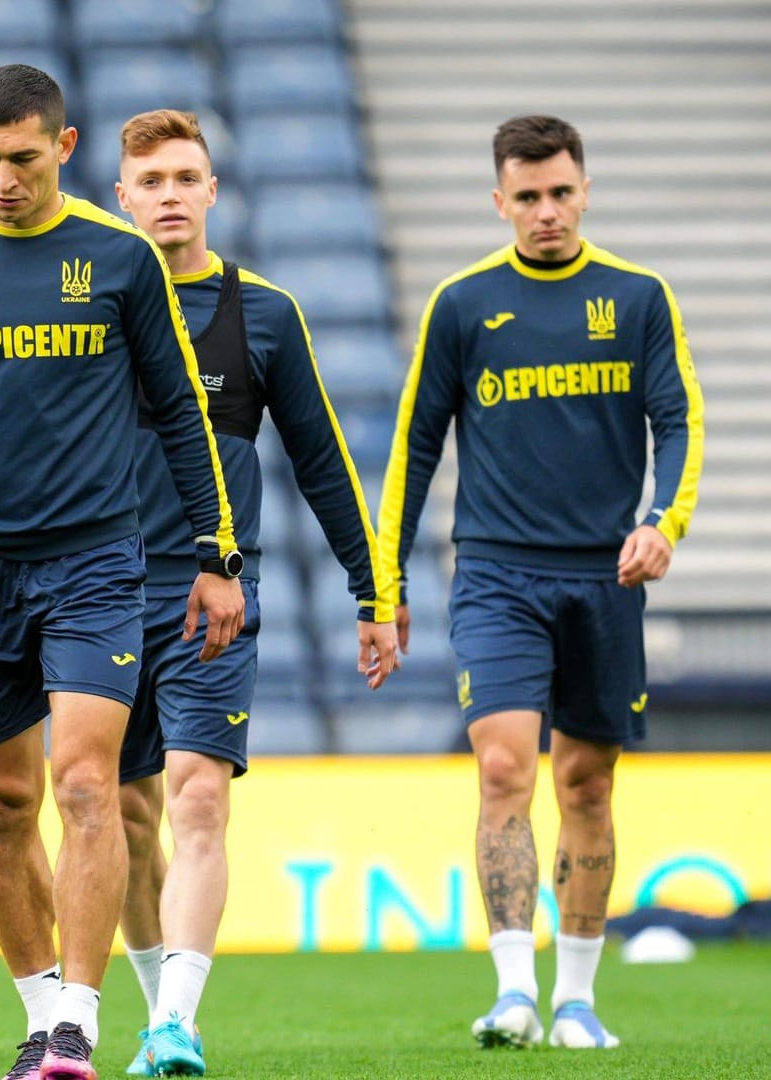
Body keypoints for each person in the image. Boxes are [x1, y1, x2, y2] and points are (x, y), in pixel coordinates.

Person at [0, 66, 243, 1080]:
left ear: (64, 150)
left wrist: (216, 554)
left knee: (83, 782)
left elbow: (182, 417)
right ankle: (37, 1023)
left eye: (22, 158)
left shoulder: (120, 261)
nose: (2, 177)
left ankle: (77, 1020)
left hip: (98, 562)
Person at [376, 114, 703, 1052]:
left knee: (588, 783)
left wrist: (660, 522)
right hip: (495, 574)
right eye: (527, 197)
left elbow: (679, 421)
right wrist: (385, 580)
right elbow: (414, 446)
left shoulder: (638, 298)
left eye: (561, 192)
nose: (546, 211)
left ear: (585, 189)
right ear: (499, 202)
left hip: (604, 577)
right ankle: (514, 991)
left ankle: (578, 1000)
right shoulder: (463, 303)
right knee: (505, 767)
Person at [108, 108, 398, 1077]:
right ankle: (159, 1010)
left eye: (186, 178)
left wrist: (373, 591)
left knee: (196, 801)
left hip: (215, 596)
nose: (170, 196)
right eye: (151, 181)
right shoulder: (93, 304)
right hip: (96, 591)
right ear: (122, 196)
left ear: (213, 191)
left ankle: (175, 1026)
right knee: (124, 818)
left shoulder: (265, 314)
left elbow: (322, 464)